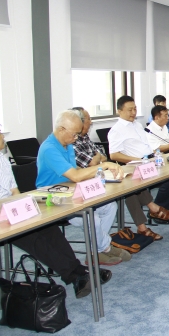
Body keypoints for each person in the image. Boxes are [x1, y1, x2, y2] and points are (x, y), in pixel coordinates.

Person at [0, 119, 112, 298]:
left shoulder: (2, 159)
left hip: (12, 208)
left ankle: (80, 272)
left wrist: (23, 208)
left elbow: (14, 190)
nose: (2, 136)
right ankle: (75, 275)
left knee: (48, 227)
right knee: (31, 236)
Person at [36, 110, 131, 265]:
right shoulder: (49, 149)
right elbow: (75, 176)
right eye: (74, 134)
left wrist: (95, 174)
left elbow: (76, 171)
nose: (76, 138)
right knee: (91, 217)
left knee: (110, 206)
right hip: (52, 200)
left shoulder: (67, 145)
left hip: (71, 192)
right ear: (61, 129)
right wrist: (103, 165)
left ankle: (96, 251)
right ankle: (105, 248)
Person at [71, 107, 169, 240]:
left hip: (103, 174)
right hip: (89, 181)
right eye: (89, 119)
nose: (91, 122)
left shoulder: (85, 138)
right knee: (128, 186)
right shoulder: (74, 141)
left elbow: (103, 156)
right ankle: (151, 212)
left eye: (135, 109)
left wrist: (98, 158)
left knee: (130, 184)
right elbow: (97, 161)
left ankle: (147, 218)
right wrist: (98, 158)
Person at [108, 96, 169, 240]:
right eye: (129, 110)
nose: (133, 112)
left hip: (148, 162)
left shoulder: (137, 125)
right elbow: (114, 155)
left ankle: (153, 210)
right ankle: (149, 215)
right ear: (119, 111)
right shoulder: (116, 130)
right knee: (131, 190)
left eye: (135, 109)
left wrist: (152, 157)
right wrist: (138, 160)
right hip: (132, 166)